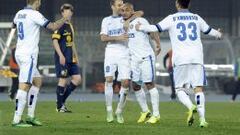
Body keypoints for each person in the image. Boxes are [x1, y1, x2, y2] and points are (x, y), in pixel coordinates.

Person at [136, 0, 223, 128]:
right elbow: (210, 31)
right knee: (198, 88)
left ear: (177, 4)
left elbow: (155, 28)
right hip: (197, 57)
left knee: (179, 89)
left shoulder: (172, 18)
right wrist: (219, 34)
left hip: (181, 58)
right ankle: (202, 120)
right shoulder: (196, 18)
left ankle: (190, 106)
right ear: (189, 4)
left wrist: (140, 27)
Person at [12, 0, 71, 127]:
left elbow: (13, 26)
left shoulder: (19, 13)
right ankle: (16, 120)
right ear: (37, 1)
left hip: (20, 52)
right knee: (24, 85)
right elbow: (53, 26)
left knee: (37, 81)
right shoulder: (35, 14)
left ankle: (30, 116)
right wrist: (64, 19)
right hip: (28, 54)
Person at [100, 0, 143, 123]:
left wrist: (129, 20)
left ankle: (119, 111)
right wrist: (118, 37)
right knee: (109, 80)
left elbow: (140, 12)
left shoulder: (126, 18)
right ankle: (109, 110)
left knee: (125, 82)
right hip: (111, 52)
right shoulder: (106, 20)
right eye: (119, 5)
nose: (121, 7)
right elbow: (103, 37)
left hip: (125, 53)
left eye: (123, 5)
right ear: (112, 6)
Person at [122, 3, 161, 124]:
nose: (124, 12)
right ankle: (145, 111)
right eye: (122, 10)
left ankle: (156, 114)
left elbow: (152, 31)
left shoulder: (141, 20)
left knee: (149, 84)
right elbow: (128, 23)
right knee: (136, 86)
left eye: (127, 10)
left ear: (132, 11)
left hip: (145, 57)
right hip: (134, 59)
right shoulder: (125, 23)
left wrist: (158, 44)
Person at [52, 3, 81, 113]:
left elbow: (71, 42)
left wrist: (76, 56)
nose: (68, 13)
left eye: (70, 12)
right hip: (63, 57)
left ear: (72, 13)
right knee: (63, 80)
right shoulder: (59, 25)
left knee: (77, 79)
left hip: (71, 58)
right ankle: (60, 107)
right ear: (62, 13)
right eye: (65, 11)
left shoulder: (70, 25)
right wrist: (61, 55)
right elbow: (54, 41)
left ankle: (60, 101)